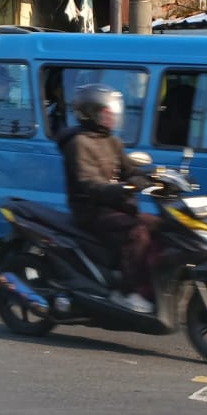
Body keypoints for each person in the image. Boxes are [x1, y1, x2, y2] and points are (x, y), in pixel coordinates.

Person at [56, 82, 154, 312]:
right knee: (137, 233)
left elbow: (129, 168)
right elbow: (88, 183)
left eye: (113, 114)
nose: (112, 119)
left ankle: (152, 285)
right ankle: (127, 292)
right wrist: (123, 189)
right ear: (91, 114)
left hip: (115, 206)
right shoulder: (79, 144)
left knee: (163, 226)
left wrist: (156, 176)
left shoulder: (112, 141)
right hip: (91, 210)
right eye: (106, 114)